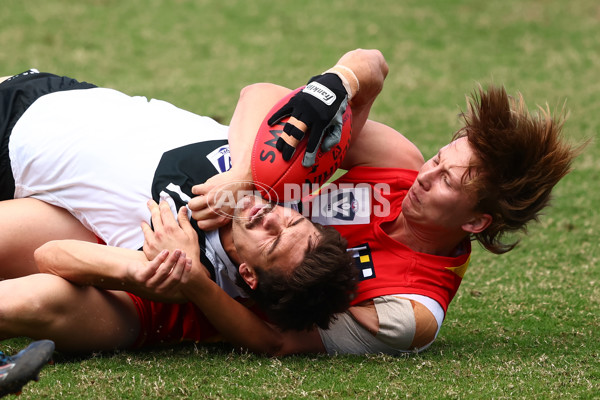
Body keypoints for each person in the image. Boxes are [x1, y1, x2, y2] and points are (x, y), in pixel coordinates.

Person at [0, 49, 580, 355]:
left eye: (452, 181)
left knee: (38, 295)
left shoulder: (412, 308)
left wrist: (188, 278)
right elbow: (273, 100)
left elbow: (277, 341)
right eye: (442, 158)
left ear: (478, 219)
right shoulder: (400, 166)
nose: (429, 175)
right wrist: (248, 176)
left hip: (167, 291)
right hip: (165, 200)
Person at [0, 69, 356, 333]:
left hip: (14, 156)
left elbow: (49, 254)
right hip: (57, 94)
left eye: (273, 239)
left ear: (247, 275)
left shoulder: (181, 263)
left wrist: (145, 271)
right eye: (293, 220)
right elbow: (259, 93)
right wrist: (245, 175)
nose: (272, 217)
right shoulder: (275, 180)